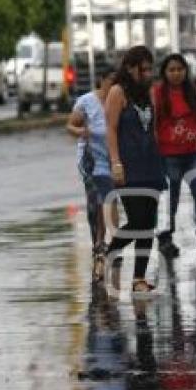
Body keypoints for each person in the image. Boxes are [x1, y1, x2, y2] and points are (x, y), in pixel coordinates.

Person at [105, 45, 167, 296]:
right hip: (128, 166)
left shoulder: (147, 93)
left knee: (148, 223)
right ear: (130, 68)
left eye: (150, 68)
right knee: (138, 220)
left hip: (150, 163)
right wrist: (115, 162)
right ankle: (110, 252)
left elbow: (152, 128)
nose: (148, 73)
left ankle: (139, 278)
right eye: (144, 69)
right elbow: (110, 129)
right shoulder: (117, 92)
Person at [153, 53, 196, 258]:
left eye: (179, 69)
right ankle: (165, 239)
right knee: (170, 200)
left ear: (185, 71)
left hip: (193, 154)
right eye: (171, 70)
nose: (176, 73)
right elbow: (154, 125)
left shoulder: (192, 91)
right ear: (164, 73)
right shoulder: (157, 93)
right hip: (168, 156)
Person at [66, 67, 117, 282]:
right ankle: (99, 242)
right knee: (96, 203)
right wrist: (81, 132)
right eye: (110, 81)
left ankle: (106, 245)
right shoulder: (86, 101)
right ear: (101, 80)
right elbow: (70, 125)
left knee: (109, 201)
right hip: (90, 160)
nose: (113, 87)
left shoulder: (121, 102)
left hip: (112, 159)